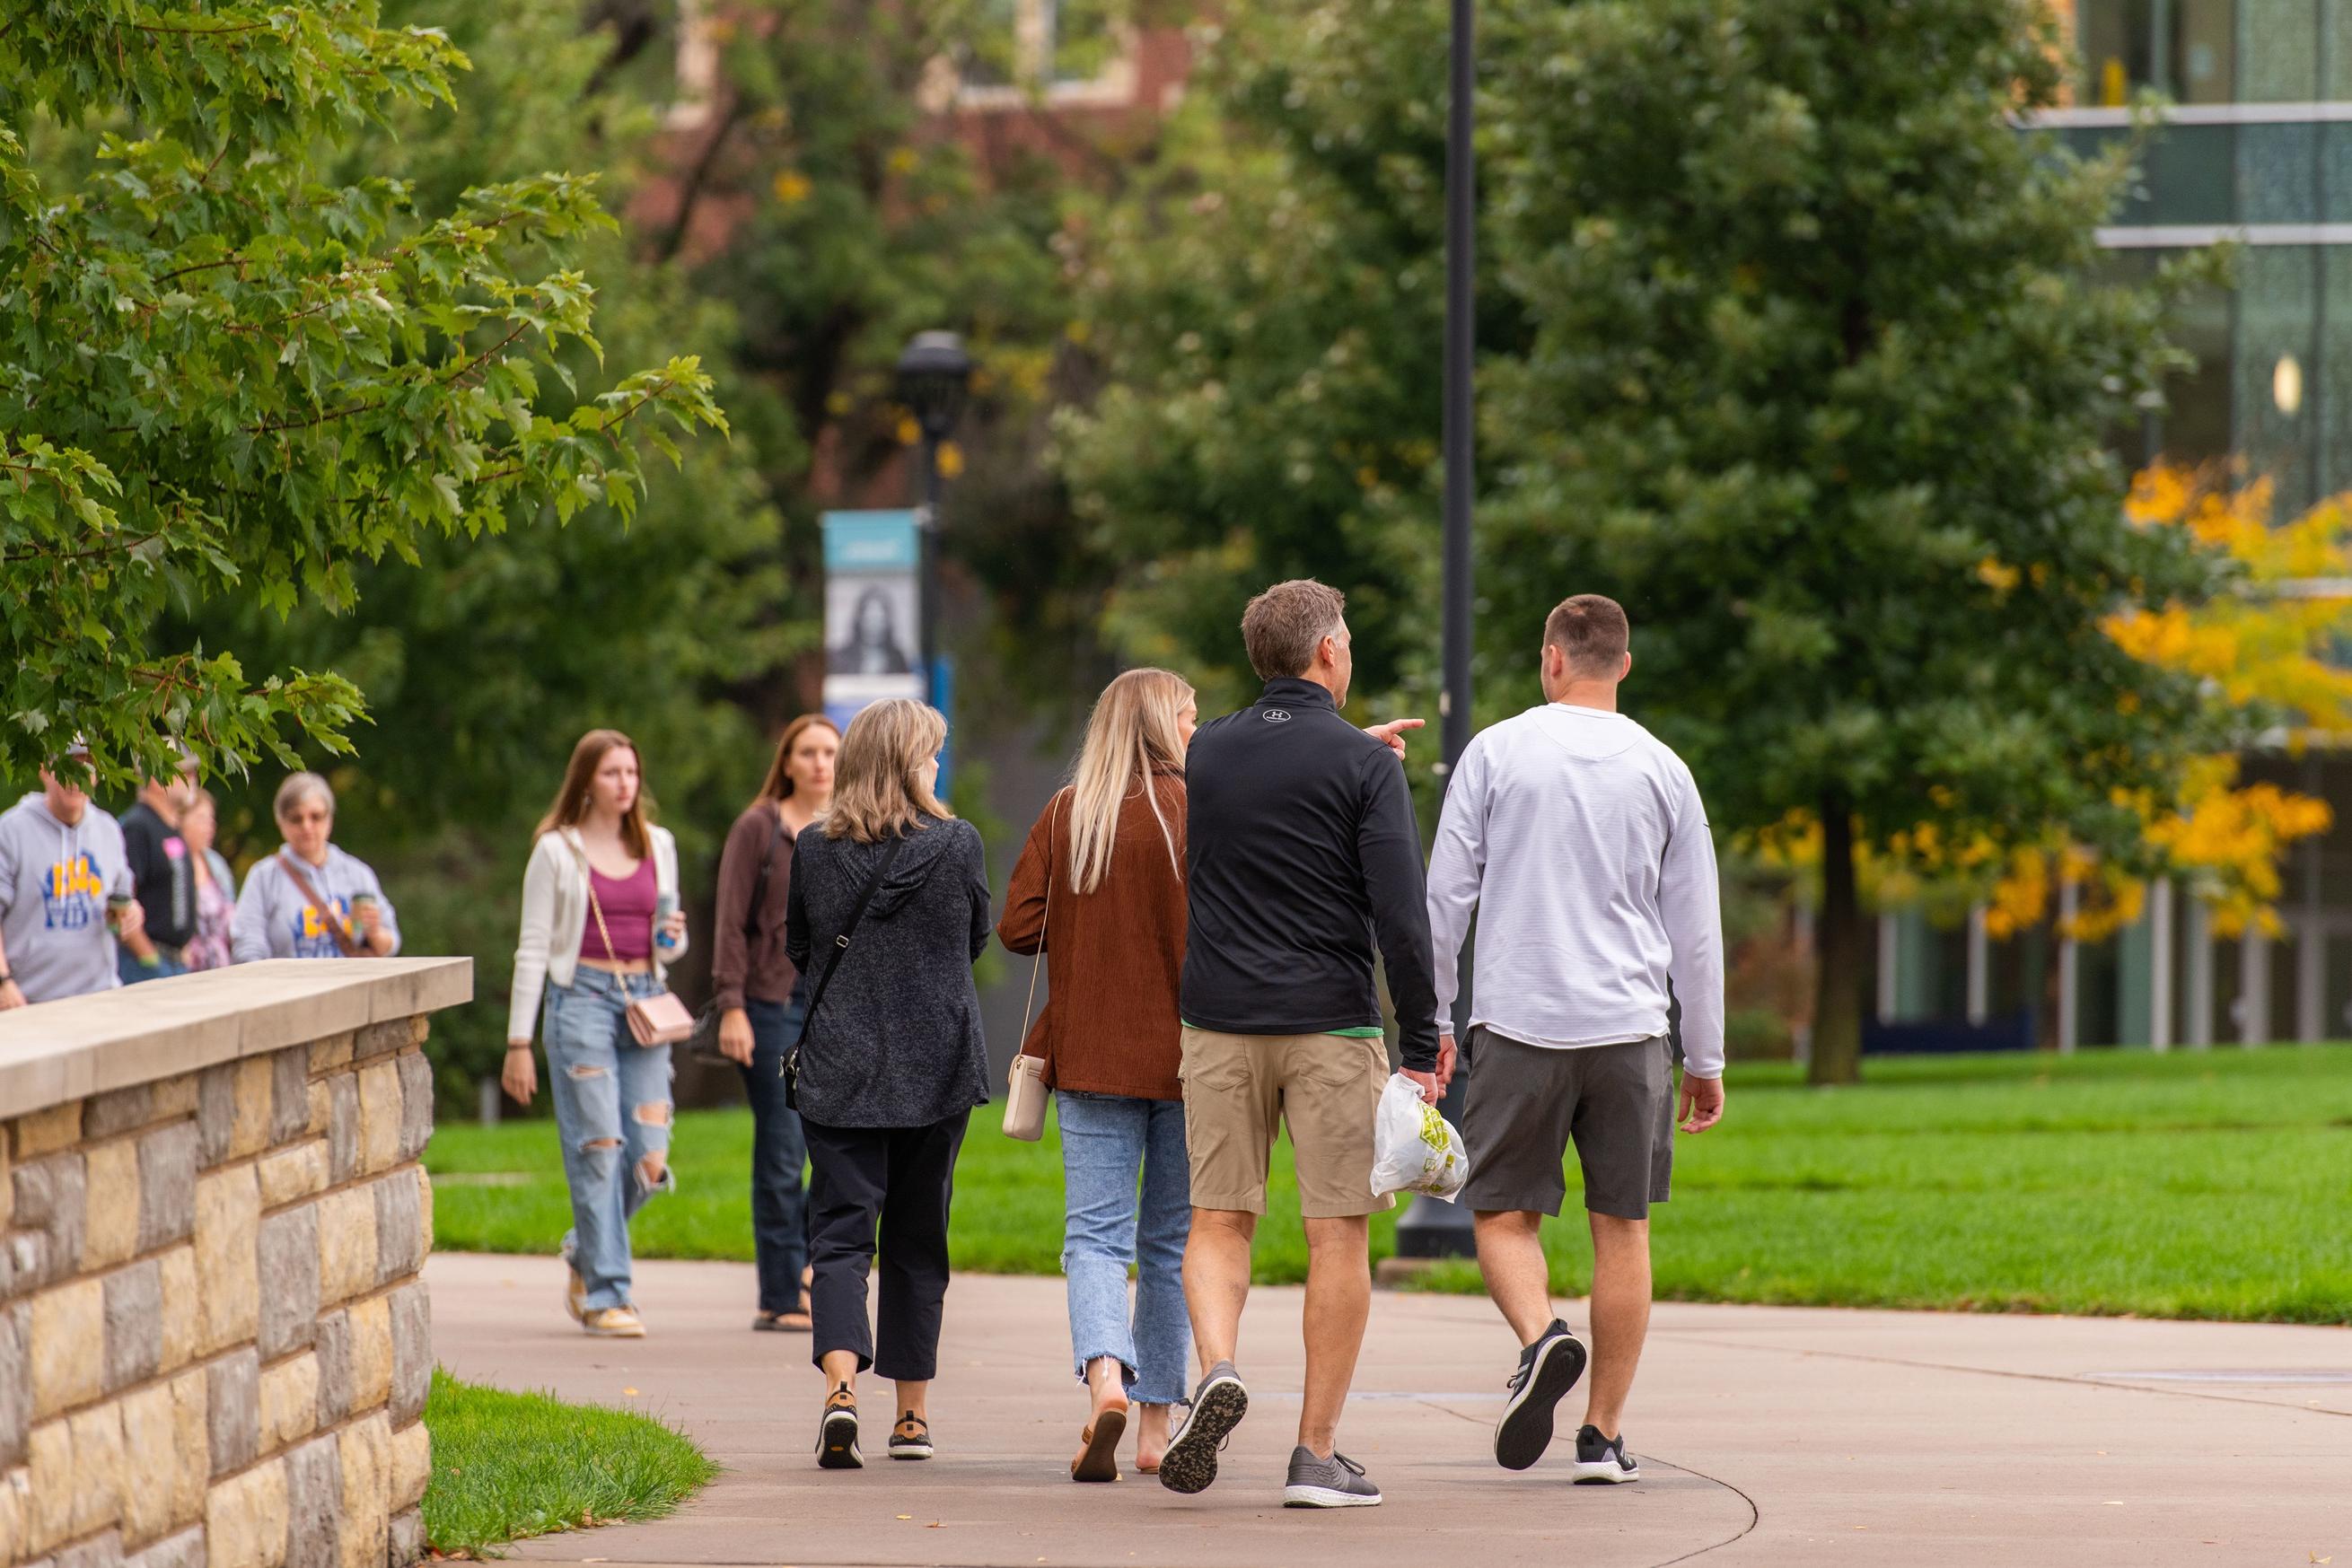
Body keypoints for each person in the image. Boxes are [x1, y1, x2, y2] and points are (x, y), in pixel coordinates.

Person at [1426, 593, 1726, 1485]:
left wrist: (1432, 1019)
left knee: (1502, 1214)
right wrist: (1703, 1057)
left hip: (1518, 1023)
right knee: (1621, 1230)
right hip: (1631, 1029)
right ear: (1622, 665)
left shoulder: (1495, 752)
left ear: (1551, 658)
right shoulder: (1664, 768)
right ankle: (1601, 1436)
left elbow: (1444, 900)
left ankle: (1542, 1336)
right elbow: (1696, 929)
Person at [1159, 579, 1447, 1511]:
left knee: (1216, 1218)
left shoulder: (1206, 752)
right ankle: (1314, 1454)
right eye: (1349, 639)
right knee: (1336, 1234)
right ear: (1327, 651)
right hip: (1328, 1022)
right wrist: (1423, 1039)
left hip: (1216, 1022)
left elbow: (1267, 785)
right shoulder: (1364, 767)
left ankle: (1218, 1366)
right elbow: (1401, 916)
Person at [999, 669, 1197, 1484]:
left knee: (1094, 1234)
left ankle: (1104, 1381)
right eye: (1188, 716)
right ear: (1161, 722)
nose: (1196, 729)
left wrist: (1089, 922)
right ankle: (1155, 1428)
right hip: (1191, 1057)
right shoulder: (1197, 811)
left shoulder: (1067, 808)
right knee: (1169, 1242)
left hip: (1090, 1050)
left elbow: (1017, 926)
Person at [786, 699, 990, 1471]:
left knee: (839, 1235)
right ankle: (911, 1418)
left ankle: (841, 1392)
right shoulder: (960, 843)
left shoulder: (812, 846)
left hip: (840, 1066)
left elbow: (798, 946)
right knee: (917, 1238)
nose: (937, 764)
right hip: (936, 1065)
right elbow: (973, 938)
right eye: (931, 753)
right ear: (909, 762)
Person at [502, 730, 690, 1340]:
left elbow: (670, 939)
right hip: (578, 998)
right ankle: (608, 1293)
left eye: (631, 771)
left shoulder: (659, 844)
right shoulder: (557, 850)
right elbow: (532, 947)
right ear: (586, 780)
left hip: (643, 1001)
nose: (625, 783)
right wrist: (517, 1042)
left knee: (649, 1157)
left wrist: (671, 938)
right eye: (611, 772)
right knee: (600, 1148)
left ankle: (585, 1248)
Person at [712, 714, 840, 1333]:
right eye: (808, 752)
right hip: (767, 1004)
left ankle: (818, 1270)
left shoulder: (848, 828)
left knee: (833, 1147)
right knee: (783, 1149)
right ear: (787, 761)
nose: (821, 763)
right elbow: (730, 922)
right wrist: (731, 1004)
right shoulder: (757, 827)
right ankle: (780, 1292)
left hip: (833, 1008)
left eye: (830, 752)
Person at [0, 742, 144, 1008]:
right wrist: (3, 981)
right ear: (44, 771)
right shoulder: (11, 831)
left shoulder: (108, 830)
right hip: (30, 1002)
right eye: (67, 766)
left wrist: (131, 914)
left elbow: (122, 901)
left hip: (100, 996)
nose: (77, 779)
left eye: (87, 766)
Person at [231, 774, 400, 962]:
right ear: (281, 822)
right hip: (291, 989)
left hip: (349, 987)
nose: (307, 826)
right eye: (296, 819)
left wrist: (375, 932)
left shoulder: (357, 874)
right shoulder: (264, 877)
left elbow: (391, 944)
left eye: (316, 817)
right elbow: (247, 947)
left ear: (330, 819)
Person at [117, 747, 201, 982]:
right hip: (146, 966)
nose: (192, 779)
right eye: (184, 772)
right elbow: (122, 902)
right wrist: (150, 959)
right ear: (154, 777)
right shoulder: (137, 827)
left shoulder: (170, 827)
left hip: (174, 963)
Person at [180, 790, 239, 972]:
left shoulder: (216, 863)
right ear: (180, 820)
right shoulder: (172, 863)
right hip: (185, 969)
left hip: (221, 967)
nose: (210, 826)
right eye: (201, 819)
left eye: (211, 819)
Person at [827, 586, 914, 675]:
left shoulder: (898, 659)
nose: (874, 627)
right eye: (870, 619)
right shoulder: (841, 658)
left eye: (879, 620)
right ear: (859, 620)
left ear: (887, 623)